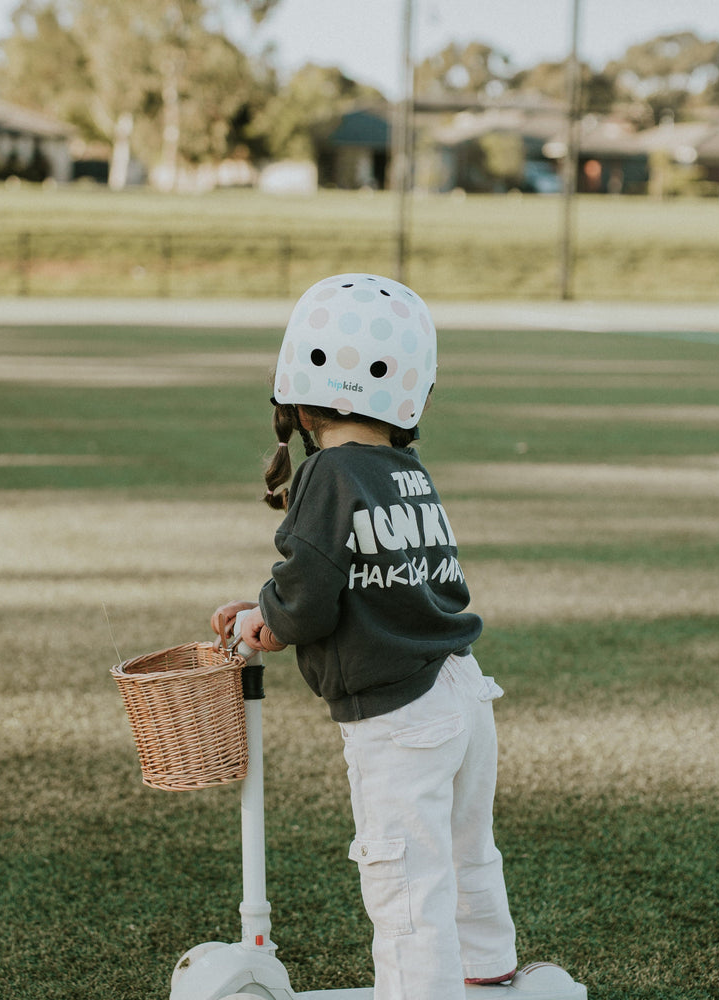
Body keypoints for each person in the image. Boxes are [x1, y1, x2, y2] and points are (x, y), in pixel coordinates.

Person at [211, 273, 518, 1000]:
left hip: (399, 715)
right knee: (467, 853)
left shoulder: (328, 473)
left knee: (406, 877)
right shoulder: (405, 470)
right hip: (462, 691)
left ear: (299, 388)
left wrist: (267, 620)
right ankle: (493, 975)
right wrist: (276, 604)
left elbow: (309, 595)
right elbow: (369, 575)